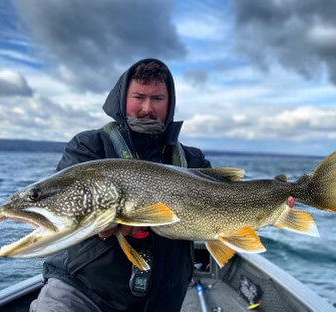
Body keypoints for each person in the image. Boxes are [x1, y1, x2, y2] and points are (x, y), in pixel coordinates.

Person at [30, 59, 211, 312]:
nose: (147, 108)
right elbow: (66, 206)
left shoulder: (194, 161)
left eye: (157, 98)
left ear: (170, 104)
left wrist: (277, 203)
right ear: (123, 98)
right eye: (139, 97)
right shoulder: (90, 146)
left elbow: (230, 197)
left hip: (163, 300)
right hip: (83, 291)